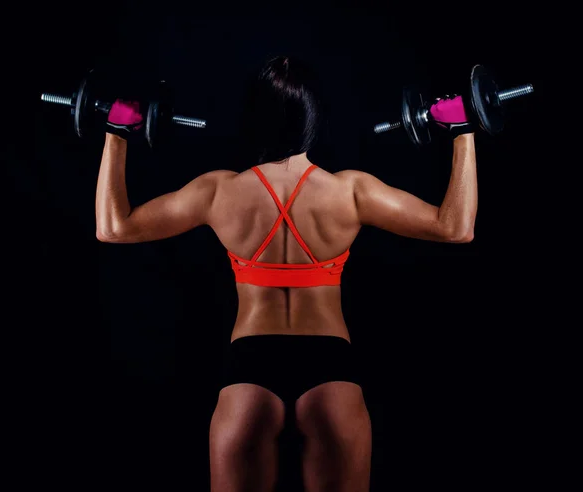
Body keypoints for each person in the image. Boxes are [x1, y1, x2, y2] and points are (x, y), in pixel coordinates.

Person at [96, 55, 477, 492]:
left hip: (250, 366)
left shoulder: (219, 192)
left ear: (255, 118)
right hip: (331, 364)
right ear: (315, 118)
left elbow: (114, 228)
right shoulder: (350, 192)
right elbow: (455, 228)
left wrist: (116, 132)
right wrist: (462, 133)